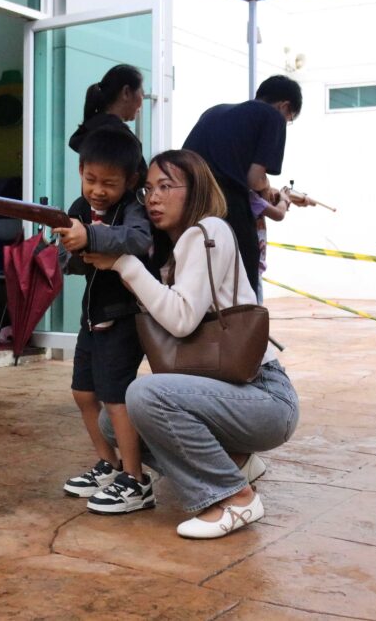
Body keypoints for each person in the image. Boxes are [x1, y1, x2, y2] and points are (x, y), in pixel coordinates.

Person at [85, 149, 300, 539]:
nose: (153, 198)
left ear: (196, 189)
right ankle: (235, 463)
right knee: (115, 423)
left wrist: (124, 263)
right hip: (232, 395)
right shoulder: (178, 248)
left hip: (264, 396)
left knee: (144, 394)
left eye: (166, 187)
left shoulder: (208, 231)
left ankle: (234, 496)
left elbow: (181, 320)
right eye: (149, 189)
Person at [52, 127, 153, 514]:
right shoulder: (78, 207)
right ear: (80, 171)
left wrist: (91, 237)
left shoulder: (133, 208)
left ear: (131, 180)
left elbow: (138, 240)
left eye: (109, 183)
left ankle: (136, 480)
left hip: (123, 318)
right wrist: (75, 249)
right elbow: (67, 262)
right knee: (83, 393)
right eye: (91, 179)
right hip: (91, 317)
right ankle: (108, 465)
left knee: (116, 399)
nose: (97, 191)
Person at [182, 75, 303, 295]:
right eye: (290, 118)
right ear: (285, 106)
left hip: (187, 202)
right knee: (243, 282)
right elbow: (254, 179)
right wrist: (266, 187)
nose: (286, 122)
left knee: (197, 280)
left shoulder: (215, 111)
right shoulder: (273, 117)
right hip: (226, 205)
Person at [68, 64, 148, 179]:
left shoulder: (91, 128)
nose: (142, 101)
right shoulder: (119, 137)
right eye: (142, 94)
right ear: (126, 92)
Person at [249, 186, 291, 305]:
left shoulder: (252, 195)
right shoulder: (252, 197)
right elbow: (279, 214)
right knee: (256, 307)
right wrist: (284, 200)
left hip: (255, 265)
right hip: (253, 267)